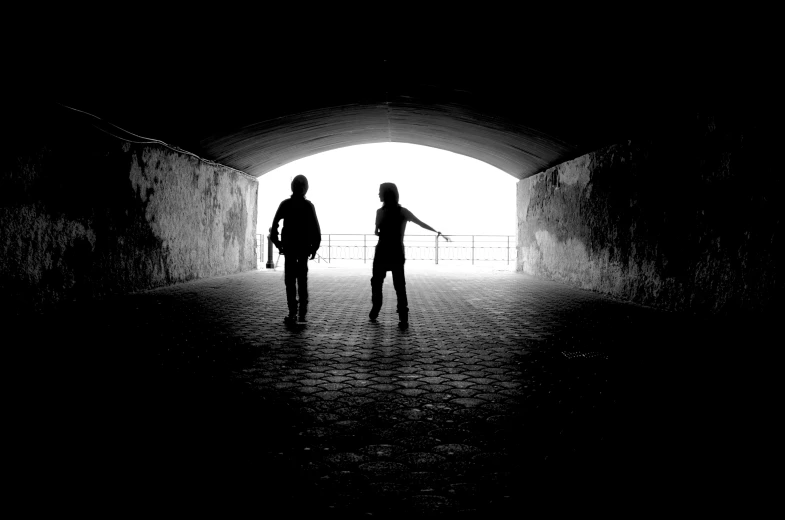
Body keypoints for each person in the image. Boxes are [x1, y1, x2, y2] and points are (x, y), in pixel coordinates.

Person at [370, 182, 447, 329]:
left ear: (386, 193)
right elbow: (420, 223)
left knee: (376, 281)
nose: (378, 194)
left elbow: (376, 231)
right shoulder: (403, 212)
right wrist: (435, 231)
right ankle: (403, 317)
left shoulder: (379, 212)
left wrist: (382, 232)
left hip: (381, 252)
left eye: (380, 192)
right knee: (399, 285)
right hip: (397, 251)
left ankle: (376, 308)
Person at [270, 175, 321, 324]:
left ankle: (293, 312)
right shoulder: (308, 206)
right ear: (306, 188)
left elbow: (274, 226)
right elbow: (315, 229)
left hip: (290, 247)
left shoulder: (286, 204)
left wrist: (278, 243)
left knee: (290, 280)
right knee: (302, 280)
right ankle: (302, 313)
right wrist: (314, 247)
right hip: (303, 247)